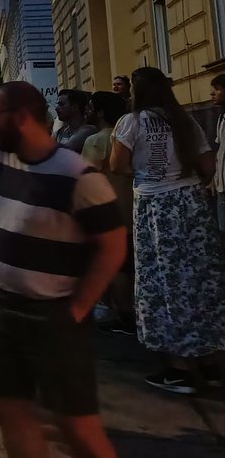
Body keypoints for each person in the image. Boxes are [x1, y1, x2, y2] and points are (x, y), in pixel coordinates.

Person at [0, 82, 125, 458]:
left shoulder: (78, 175)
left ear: (23, 117)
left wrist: (78, 308)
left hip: (53, 314)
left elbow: (112, 246)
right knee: (13, 412)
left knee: (76, 426)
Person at [110, 67, 225, 394]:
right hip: (190, 204)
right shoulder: (184, 120)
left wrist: (150, 171)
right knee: (201, 279)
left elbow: (117, 165)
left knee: (164, 280)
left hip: (155, 207)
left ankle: (180, 369)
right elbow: (207, 166)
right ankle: (210, 361)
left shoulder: (131, 122)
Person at [80, 91, 133, 334]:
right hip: (132, 207)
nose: (86, 111)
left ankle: (123, 314)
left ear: (100, 112)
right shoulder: (127, 135)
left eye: (90, 107)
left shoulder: (95, 140)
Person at [211, 73, 225, 236]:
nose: (213, 93)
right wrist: (214, 179)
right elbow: (220, 150)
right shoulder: (221, 117)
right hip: (222, 185)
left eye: (217, 89)